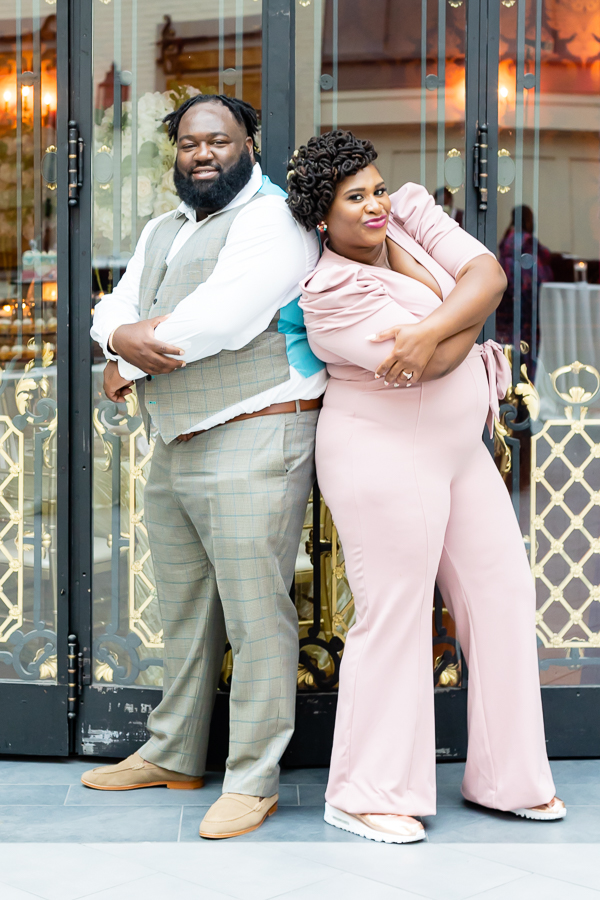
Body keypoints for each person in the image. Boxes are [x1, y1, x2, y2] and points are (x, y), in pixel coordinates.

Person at [287, 131, 565, 844]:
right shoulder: (327, 294)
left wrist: (438, 325)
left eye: (376, 188)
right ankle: (364, 791)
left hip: (458, 450)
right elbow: (434, 363)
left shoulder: (411, 208)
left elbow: (491, 279)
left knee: (502, 596)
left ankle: (508, 778)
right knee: (397, 613)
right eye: (355, 198)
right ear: (323, 217)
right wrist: (457, 323)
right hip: (381, 454)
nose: (377, 204)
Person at [83, 95, 327, 839]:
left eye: (218, 140)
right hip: (179, 437)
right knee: (184, 611)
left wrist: (123, 350)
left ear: (250, 140)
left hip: (257, 432)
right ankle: (174, 753)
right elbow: (108, 306)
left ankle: (252, 779)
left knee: (257, 619)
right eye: (189, 143)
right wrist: (117, 335)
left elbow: (221, 321)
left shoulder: (274, 220)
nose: (202, 154)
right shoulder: (164, 227)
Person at [496, 204, 553, 349]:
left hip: (508, 304)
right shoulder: (529, 244)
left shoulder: (507, 241)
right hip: (527, 303)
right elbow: (544, 261)